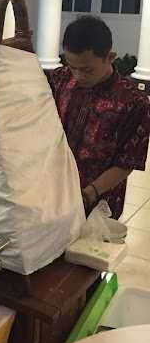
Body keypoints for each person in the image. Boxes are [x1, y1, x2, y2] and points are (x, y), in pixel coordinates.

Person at [48, 15, 150, 219]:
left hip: (99, 200)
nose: (78, 75)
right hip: (54, 192)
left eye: (87, 69)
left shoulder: (134, 102)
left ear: (110, 57)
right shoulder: (60, 79)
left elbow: (127, 162)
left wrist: (88, 194)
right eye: (72, 66)